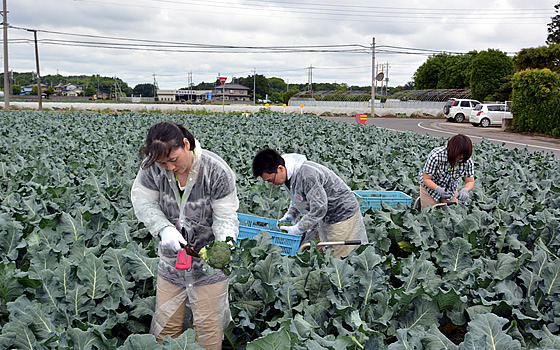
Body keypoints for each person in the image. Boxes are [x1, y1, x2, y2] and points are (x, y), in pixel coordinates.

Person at [131, 121, 239, 349]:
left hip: (208, 268)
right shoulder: (151, 169)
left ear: (187, 145)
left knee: (208, 330)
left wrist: (222, 247)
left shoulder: (216, 170)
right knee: (166, 328)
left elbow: (225, 216)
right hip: (172, 263)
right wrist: (163, 228)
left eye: (173, 160)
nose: (169, 167)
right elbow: (143, 202)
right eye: (162, 163)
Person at [251, 148, 368, 258]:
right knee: (319, 250)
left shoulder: (307, 176)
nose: (271, 184)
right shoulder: (287, 175)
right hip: (324, 216)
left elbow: (320, 208)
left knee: (335, 256)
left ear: (280, 168)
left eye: (271, 180)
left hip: (341, 214)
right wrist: (291, 215)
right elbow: (299, 197)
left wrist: (299, 228)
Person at [419, 134, 475, 210]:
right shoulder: (436, 156)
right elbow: (426, 179)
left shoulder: (467, 161)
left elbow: (470, 181)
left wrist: (465, 190)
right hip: (430, 188)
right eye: (459, 156)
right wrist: (437, 189)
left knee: (451, 213)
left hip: (450, 189)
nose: (460, 158)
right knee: (430, 213)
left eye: (463, 157)